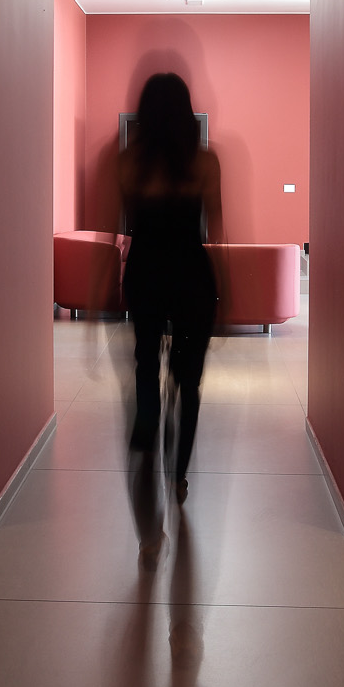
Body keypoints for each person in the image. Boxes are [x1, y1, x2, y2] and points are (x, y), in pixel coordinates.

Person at [118, 72, 227, 536]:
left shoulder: (127, 162)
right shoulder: (205, 162)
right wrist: (225, 288)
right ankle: (177, 474)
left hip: (145, 273)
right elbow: (216, 231)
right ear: (186, 112)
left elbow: (115, 230)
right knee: (189, 380)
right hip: (191, 276)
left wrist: (103, 289)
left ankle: (147, 438)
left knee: (146, 364)